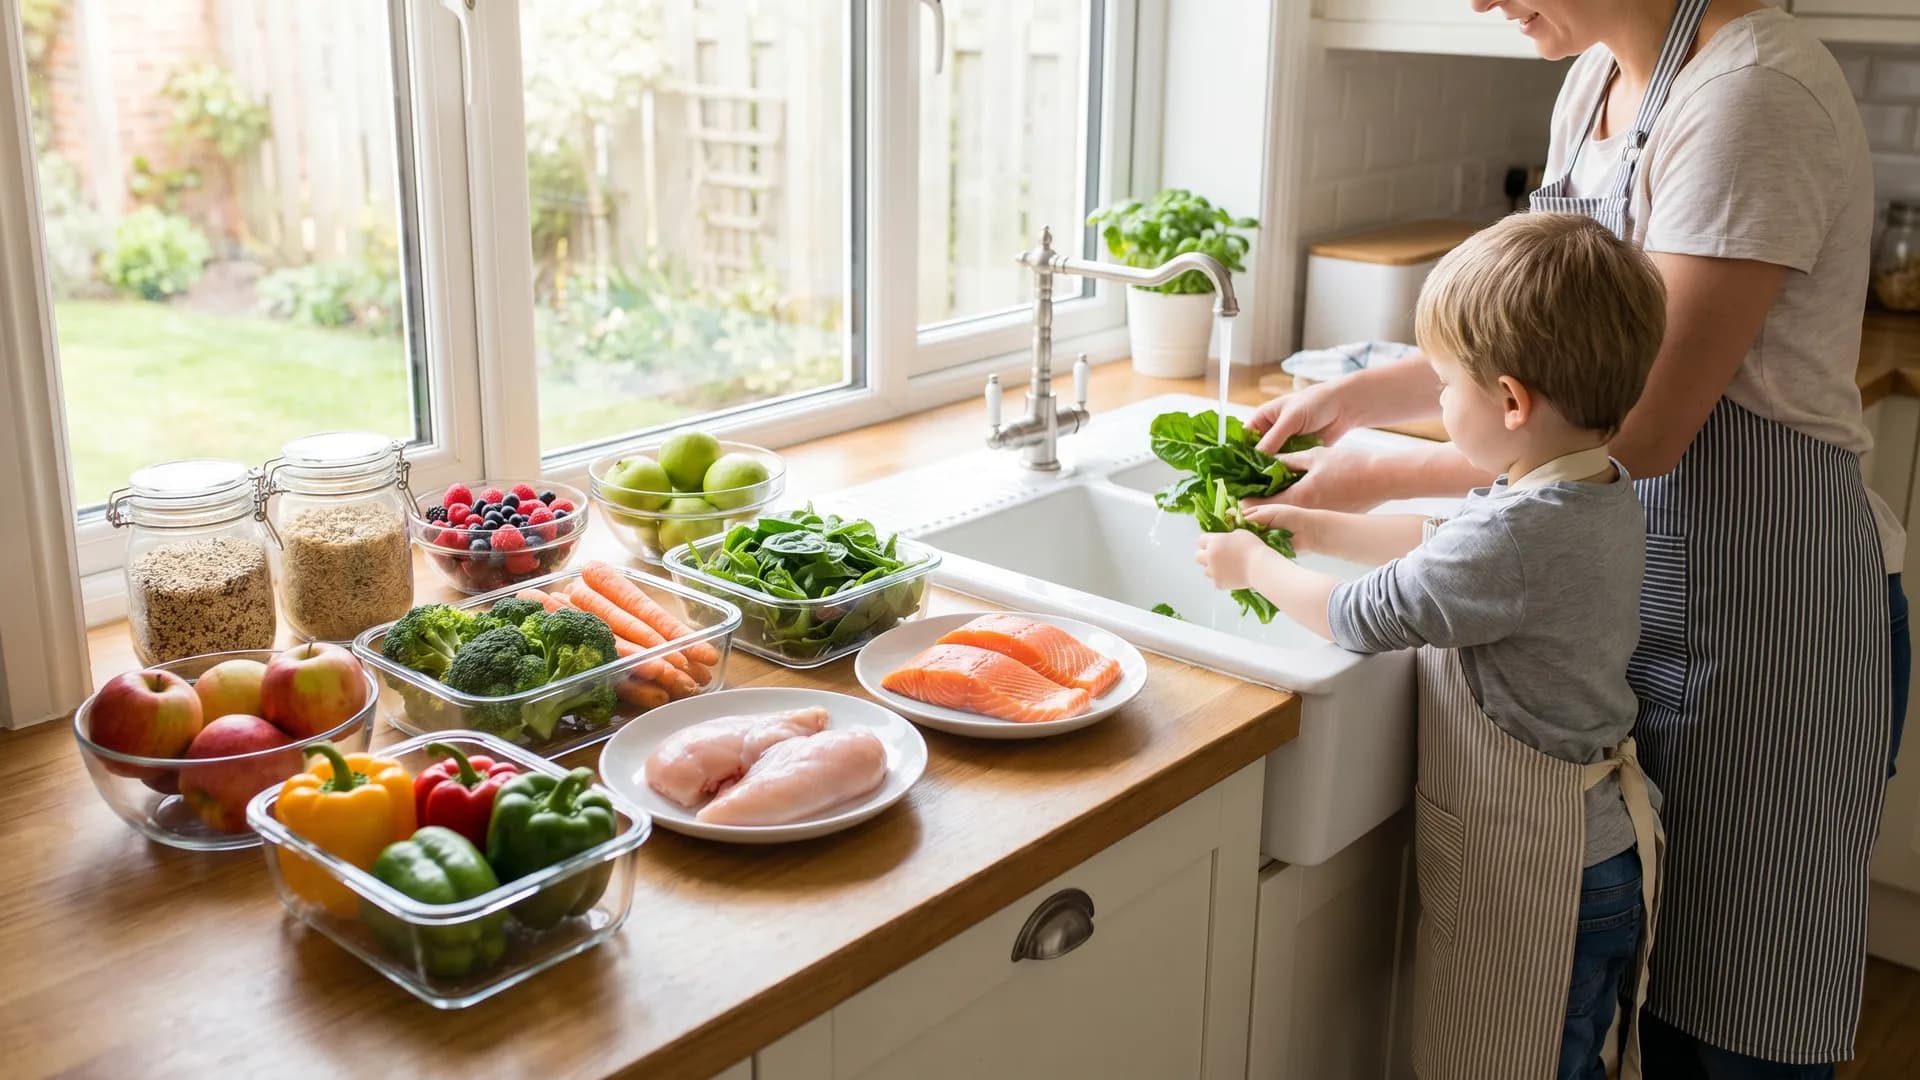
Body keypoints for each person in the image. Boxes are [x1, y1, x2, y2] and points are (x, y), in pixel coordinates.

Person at [1246, 1, 1899, 1074]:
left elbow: (1635, 428)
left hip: (1761, 623)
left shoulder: (1751, 100)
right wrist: (1361, 395)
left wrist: (1382, 476)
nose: (1480, 3)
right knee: (1628, 994)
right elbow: (1542, 330)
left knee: (1732, 1019)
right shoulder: (1596, 77)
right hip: (1616, 591)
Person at [1197, 211, 1667, 1080]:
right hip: (1591, 857)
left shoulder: (1521, 535)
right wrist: (1312, 527)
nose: (1437, 404)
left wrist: (1251, 566)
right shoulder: (1589, 487)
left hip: (1540, 872)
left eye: (1446, 385)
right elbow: (1446, 542)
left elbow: (1361, 619)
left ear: (1513, 402)